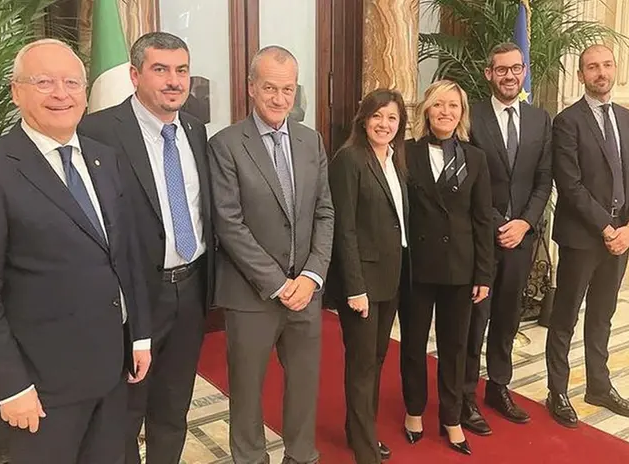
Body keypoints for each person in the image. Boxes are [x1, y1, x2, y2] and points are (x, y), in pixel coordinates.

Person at [0, 39, 151, 464]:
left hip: (110, 374)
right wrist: (10, 386)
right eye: (44, 82)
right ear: (16, 91)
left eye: (72, 82)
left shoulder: (104, 159)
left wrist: (139, 335)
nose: (61, 93)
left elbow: (124, 254)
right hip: (40, 389)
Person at [78, 32, 213, 464]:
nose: (174, 81)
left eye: (181, 70)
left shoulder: (194, 128)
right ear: (135, 75)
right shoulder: (97, 131)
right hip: (133, 296)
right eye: (160, 70)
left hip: (191, 289)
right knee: (125, 412)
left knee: (174, 406)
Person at [207, 45, 334, 464]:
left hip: (306, 292)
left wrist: (312, 276)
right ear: (250, 89)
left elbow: (324, 211)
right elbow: (229, 224)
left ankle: (301, 456)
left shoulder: (310, 140)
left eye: (287, 89)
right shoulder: (225, 145)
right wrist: (278, 284)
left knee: (303, 386)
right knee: (246, 391)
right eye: (270, 88)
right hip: (251, 296)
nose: (280, 99)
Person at [546, 44, 629, 428]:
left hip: (621, 237)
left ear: (615, 69)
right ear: (581, 75)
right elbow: (569, 185)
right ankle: (557, 390)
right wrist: (607, 229)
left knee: (603, 315)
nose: (600, 72)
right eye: (592, 67)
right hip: (582, 238)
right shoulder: (567, 121)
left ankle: (598, 386)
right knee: (565, 316)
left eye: (606, 65)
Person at [399, 79, 495, 455]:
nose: (445, 112)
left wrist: (484, 274)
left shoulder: (475, 158)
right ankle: (414, 410)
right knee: (413, 344)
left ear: (462, 112)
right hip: (417, 269)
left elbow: (483, 220)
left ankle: (452, 417)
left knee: (455, 347)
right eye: (438, 105)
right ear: (426, 110)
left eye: (453, 106)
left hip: (461, 269)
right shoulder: (405, 152)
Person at [461, 42, 553, 435]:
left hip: (522, 240)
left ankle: (498, 387)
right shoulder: (472, 117)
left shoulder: (539, 119)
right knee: (474, 320)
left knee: (507, 317)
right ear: (489, 74)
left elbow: (543, 179)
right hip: (481, 238)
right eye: (502, 70)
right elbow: (466, 178)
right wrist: (500, 223)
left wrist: (525, 224)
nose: (510, 76)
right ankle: (465, 396)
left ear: (524, 71)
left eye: (516, 69)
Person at [326, 88, 409, 464]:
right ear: (364, 119)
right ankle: (364, 447)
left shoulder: (395, 159)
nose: (384, 124)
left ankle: (360, 430)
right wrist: (354, 287)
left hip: (390, 279)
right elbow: (344, 229)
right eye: (378, 116)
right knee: (362, 365)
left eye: (392, 118)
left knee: (375, 360)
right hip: (361, 284)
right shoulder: (349, 159)